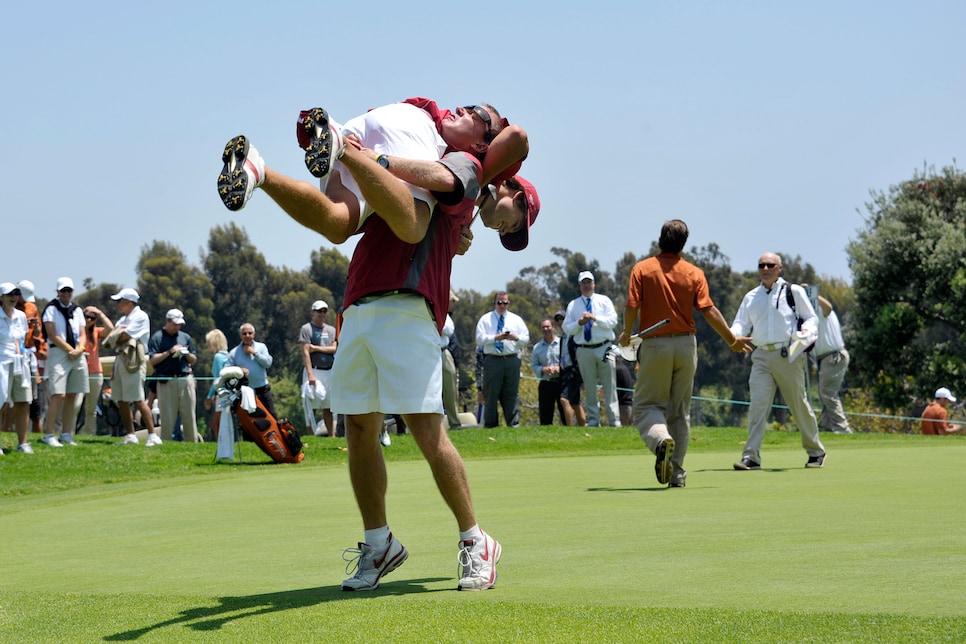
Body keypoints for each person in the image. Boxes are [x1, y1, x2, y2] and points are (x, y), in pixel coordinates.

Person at [619, 220, 751, 487]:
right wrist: (731, 340)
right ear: (683, 243)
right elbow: (709, 310)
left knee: (646, 407)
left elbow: (632, 304)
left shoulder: (642, 269)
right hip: (686, 345)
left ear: (660, 239)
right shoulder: (694, 272)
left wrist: (626, 332)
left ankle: (660, 441)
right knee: (679, 411)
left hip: (655, 345)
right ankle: (677, 473)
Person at [729, 253, 827, 470]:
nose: (765, 268)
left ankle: (816, 452)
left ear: (780, 268)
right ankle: (751, 456)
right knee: (758, 406)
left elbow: (811, 318)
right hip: (761, 355)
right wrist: (732, 336)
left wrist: (806, 333)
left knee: (798, 404)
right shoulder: (751, 296)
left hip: (788, 353)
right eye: (761, 265)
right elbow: (740, 324)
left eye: (770, 265)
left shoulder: (794, 291)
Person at [103, 288, 160, 445]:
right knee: (121, 399)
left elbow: (123, 336)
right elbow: (113, 338)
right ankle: (131, 435)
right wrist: (117, 336)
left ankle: (152, 435)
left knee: (137, 399)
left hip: (134, 359)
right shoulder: (123, 320)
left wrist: (117, 335)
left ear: (129, 302)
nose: (117, 304)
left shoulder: (140, 316)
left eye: (119, 301)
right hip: (121, 358)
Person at [563, 272, 620, 427]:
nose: (587, 285)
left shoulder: (604, 301)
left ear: (594, 284)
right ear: (580, 285)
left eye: (589, 282)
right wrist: (579, 323)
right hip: (584, 349)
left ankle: (614, 421)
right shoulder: (573, 305)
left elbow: (612, 321)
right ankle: (594, 421)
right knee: (589, 386)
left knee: (610, 385)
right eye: (584, 283)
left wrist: (595, 318)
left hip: (604, 347)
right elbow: (567, 328)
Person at [40, 277, 89, 447]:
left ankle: (66, 433)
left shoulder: (77, 310)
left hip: (77, 353)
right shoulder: (51, 309)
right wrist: (69, 349)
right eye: (63, 291)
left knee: (72, 394)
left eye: (69, 291)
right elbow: (52, 333)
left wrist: (79, 348)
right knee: (58, 395)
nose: (66, 294)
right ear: (58, 292)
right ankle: (48, 434)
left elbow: (83, 333)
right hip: (59, 352)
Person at [475, 291, 530, 428]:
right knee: (491, 394)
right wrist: (495, 338)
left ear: (508, 303)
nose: (502, 305)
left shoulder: (516, 320)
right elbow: (479, 339)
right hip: (493, 360)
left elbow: (525, 339)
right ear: (494, 303)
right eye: (499, 302)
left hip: (511, 359)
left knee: (511, 394)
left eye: (505, 303)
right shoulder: (485, 319)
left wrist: (515, 337)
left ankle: (513, 424)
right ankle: (491, 426)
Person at [804, 286, 853, 434]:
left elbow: (829, 307)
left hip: (834, 356)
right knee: (823, 393)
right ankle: (829, 427)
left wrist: (813, 294)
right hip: (823, 359)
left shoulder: (821, 310)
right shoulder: (806, 317)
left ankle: (842, 429)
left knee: (827, 392)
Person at [147, 309, 199, 443]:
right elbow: (152, 360)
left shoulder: (185, 337)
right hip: (166, 380)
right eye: (175, 324)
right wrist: (170, 352)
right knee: (167, 417)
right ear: (167, 321)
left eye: (179, 324)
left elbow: (193, 359)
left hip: (185, 379)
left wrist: (186, 353)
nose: (177, 327)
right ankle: (166, 443)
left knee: (189, 415)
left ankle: (192, 444)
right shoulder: (157, 337)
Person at [0, 282, 34, 454]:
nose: (13, 297)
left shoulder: (21, 316)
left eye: (15, 294)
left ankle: (23, 443)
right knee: (1, 403)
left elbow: (22, 340)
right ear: (1, 297)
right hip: (2, 364)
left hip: (20, 363)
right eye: (9, 294)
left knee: (23, 402)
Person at [299, 300, 337, 436]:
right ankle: (311, 435)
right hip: (314, 370)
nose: (322, 314)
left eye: (324, 311)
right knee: (311, 405)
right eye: (319, 311)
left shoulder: (331, 330)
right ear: (313, 312)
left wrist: (315, 348)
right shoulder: (306, 329)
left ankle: (332, 435)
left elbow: (334, 348)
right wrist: (310, 374)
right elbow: (305, 352)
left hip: (329, 370)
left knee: (328, 406)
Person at [226, 323, 277, 420]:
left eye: (250, 333)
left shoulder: (261, 347)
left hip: (262, 389)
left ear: (254, 334)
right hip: (245, 392)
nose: (247, 336)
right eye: (244, 333)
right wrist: (239, 370)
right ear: (241, 335)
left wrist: (254, 353)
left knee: (271, 417)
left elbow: (268, 363)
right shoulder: (234, 352)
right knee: (250, 422)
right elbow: (227, 370)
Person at [16, 280, 46, 435]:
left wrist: (36, 327)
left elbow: (38, 334)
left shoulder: (32, 307)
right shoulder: (8, 307)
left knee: (35, 404)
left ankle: (35, 436)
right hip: (14, 356)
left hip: (29, 356)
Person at [78, 306, 109, 435]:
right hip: (78, 372)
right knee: (75, 405)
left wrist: (100, 313)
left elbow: (111, 329)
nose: (89, 320)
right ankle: (67, 432)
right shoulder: (76, 332)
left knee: (91, 408)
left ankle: (90, 433)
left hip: (95, 373)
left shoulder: (96, 332)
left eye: (92, 317)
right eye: (86, 316)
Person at [554, 310, 586, 427]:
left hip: (574, 370)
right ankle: (583, 427)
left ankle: (570, 428)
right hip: (565, 371)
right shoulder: (562, 338)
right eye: (557, 320)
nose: (560, 322)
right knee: (576, 402)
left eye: (562, 319)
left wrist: (577, 369)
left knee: (564, 399)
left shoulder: (575, 335)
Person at [530, 318, 565, 425]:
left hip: (561, 383)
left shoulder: (562, 343)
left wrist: (560, 368)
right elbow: (534, 365)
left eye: (548, 326)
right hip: (546, 383)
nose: (546, 329)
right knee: (545, 415)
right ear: (541, 329)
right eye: (543, 327)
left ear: (553, 328)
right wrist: (543, 369)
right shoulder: (537, 347)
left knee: (565, 413)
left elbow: (568, 361)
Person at [204, 329, 230, 439]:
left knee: (217, 424)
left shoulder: (218, 357)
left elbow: (218, 379)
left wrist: (209, 396)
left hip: (222, 394)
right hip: (229, 393)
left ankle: (222, 446)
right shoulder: (228, 355)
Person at [440, 309, 462, 430]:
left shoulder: (441, 309)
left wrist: (435, 324)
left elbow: (449, 330)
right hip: (425, 354)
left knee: (450, 391)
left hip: (443, 352)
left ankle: (455, 424)